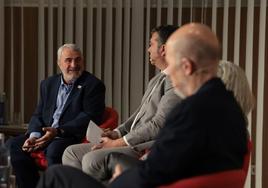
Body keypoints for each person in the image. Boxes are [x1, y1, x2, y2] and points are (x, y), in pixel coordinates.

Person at [36, 23, 248, 188]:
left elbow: (153, 169)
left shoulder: (192, 111)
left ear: (187, 66)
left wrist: (118, 180)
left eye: (173, 66)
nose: (170, 75)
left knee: (56, 175)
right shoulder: (230, 109)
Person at [61, 25, 181, 181]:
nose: (148, 49)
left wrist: (117, 143)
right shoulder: (156, 79)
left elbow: (158, 125)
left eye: (151, 44)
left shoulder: (176, 81)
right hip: (129, 139)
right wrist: (116, 133)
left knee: (91, 159)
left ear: (163, 49)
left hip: (143, 146)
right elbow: (138, 115)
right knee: (71, 153)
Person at [8, 44, 106, 188]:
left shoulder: (93, 85)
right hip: (44, 134)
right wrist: (33, 136)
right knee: (12, 145)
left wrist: (58, 131)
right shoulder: (48, 84)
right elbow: (38, 114)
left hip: (69, 136)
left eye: (78, 60)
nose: (74, 65)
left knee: (54, 150)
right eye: (68, 60)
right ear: (59, 63)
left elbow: (90, 117)